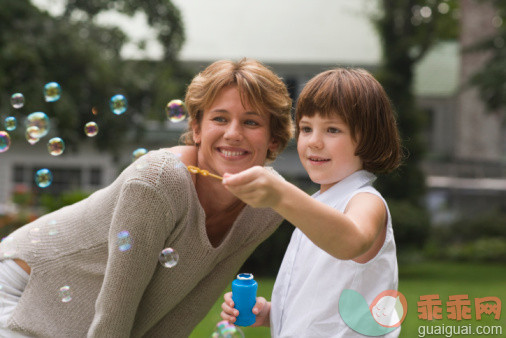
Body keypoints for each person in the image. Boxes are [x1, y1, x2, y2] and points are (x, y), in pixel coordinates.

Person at [0, 58, 293, 337]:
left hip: (83, 317)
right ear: (196, 128)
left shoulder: (269, 205)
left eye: (251, 122)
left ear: (274, 139)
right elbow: (116, 311)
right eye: (220, 118)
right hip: (25, 293)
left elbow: (189, 307)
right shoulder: (158, 181)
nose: (233, 133)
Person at [220, 68, 402, 337]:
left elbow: (350, 240)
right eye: (306, 128)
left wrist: (281, 194)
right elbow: (318, 302)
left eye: (332, 129)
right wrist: (269, 312)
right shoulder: (319, 204)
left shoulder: (365, 201)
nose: (313, 142)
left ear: (368, 137)